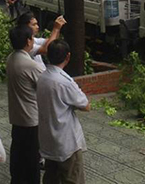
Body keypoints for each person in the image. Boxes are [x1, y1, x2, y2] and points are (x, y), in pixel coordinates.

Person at [37, 40, 90, 184]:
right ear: (68, 56)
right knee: (72, 177)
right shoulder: (65, 82)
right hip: (66, 141)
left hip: (48, 137)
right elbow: (85, 105)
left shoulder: (42, 77)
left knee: (51, 176)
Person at [6, 26, 44, 184]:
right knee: (32, 159)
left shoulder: (11, 58)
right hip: (31, 118)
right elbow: (46, 86)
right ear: (28, 41)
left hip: (17, 116)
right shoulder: (30, 65)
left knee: (18, 153)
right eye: (32, 39)